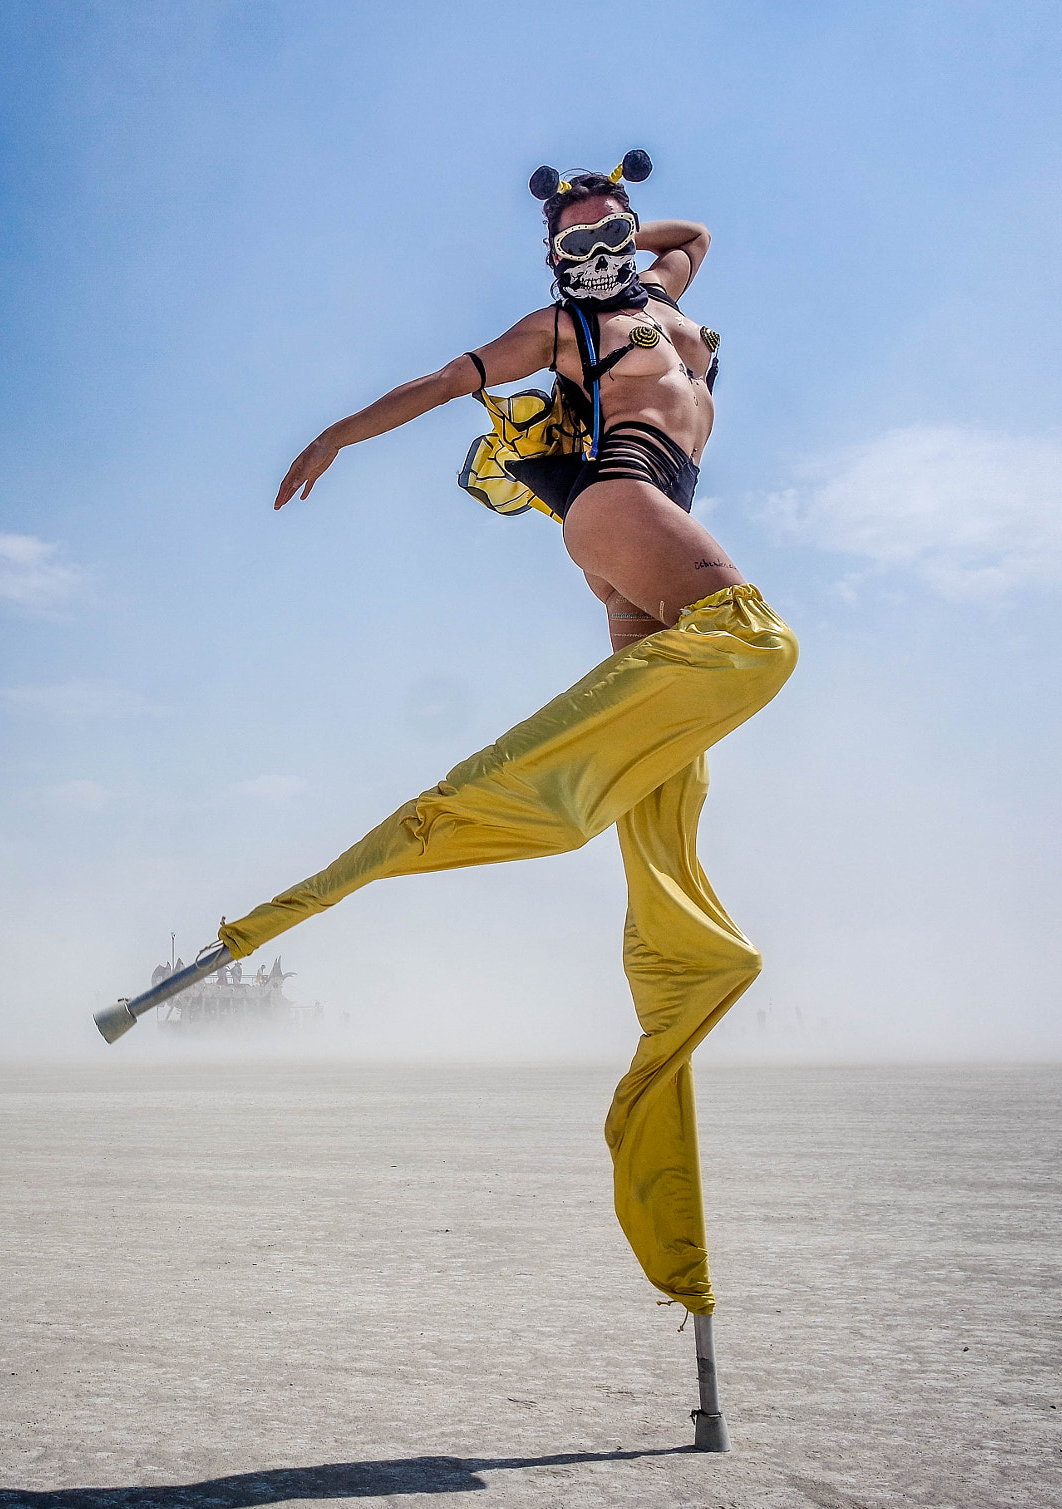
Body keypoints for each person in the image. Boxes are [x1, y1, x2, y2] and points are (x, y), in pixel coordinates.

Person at [229, 155, 801, 1321]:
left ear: (631, 233)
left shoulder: (670, 295)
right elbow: (444, 382)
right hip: (621, 500)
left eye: (608, 234)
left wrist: (613, 219)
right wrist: (339, 432)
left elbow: (694, 233)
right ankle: (515, 788)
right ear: (547, 257)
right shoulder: (559, 327)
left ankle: (671, 989)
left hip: (638, 547)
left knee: (659, 783)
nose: (593, 253)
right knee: (754, 642)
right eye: (569, 238)